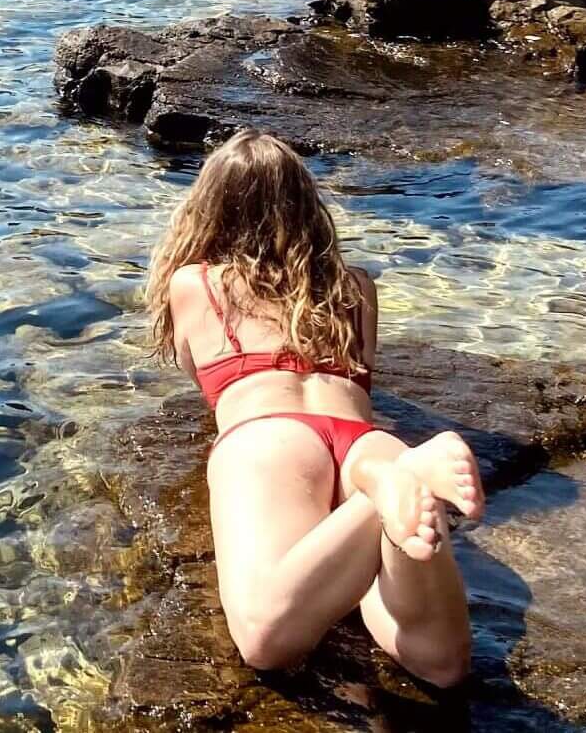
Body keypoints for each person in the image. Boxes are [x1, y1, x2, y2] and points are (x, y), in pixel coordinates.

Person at [145, 130, 480, 689]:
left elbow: (195, 367)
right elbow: (364, 372)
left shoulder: (194, 283)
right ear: (308, 204)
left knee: (266, 641)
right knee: (438, 663)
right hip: (367, 440)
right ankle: (387, 483)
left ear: (208, 207)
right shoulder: (357, 287)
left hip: (270, 438)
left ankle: (380, 491)